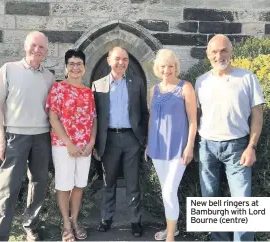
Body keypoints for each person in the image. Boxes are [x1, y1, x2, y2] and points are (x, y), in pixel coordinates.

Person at [196, 34, 265, 241]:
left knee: (242, 201)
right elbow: (195, 118)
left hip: (238, 147)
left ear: (231, 52)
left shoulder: (247, 78)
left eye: (224, 50)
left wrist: (251, 146)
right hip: (206, 147)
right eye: (214, 52)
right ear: (208, 55)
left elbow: (258, 115)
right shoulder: (201, 81)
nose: (219, 55)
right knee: (210, 200)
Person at [0, 31, 55, 241]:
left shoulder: (49, 76)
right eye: (34, 45)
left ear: (46, 51)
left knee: (39, 184)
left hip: (42, 137)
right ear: (25, 45)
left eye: (42, 47)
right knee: (8, 188)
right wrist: (1, 138)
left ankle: (30, 226)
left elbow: (53, 111)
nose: (37, 50)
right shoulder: (9, 69)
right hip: (15, 137)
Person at [92, 46, 149, 237]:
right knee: (109, 182)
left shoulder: (137, 83)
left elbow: (143, 112)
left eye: (125, 59)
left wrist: (143, 139)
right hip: (108, 139)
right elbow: (95, 117)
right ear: (109, 60)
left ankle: (135, 221)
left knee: (133, 182)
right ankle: (106, 218)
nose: (121, 62)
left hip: (131, 138)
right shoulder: (97, 85)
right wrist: (95, 143)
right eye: (117, 59)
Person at [46, 49, 97, 242]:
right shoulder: (58, 88)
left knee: (79, 185)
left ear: (84, 68)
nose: (75, 68)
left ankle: (75, 221)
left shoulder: (88, 93)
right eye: (72, 64)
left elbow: (94, 119)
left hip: (85, 148)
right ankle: (66, 224)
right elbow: (53, 118)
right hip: (62, 146)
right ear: (66, 67)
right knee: (64, 185)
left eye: (79, 64)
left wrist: (91, 142)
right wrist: (69, 144)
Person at [146, 49, 197, 241]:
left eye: (170, 66)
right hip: (157, 147)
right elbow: (153, 119)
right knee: (167, 190)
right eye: (162, 66)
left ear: (176, 67)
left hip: (178, 148)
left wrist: (190, 145)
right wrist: (148, 143)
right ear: (157, 69)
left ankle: (170, 237)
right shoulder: (154, 90)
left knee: (168, 190)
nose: (166, 69)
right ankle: (171, 229)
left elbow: (193, 120)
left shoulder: (186, 87)